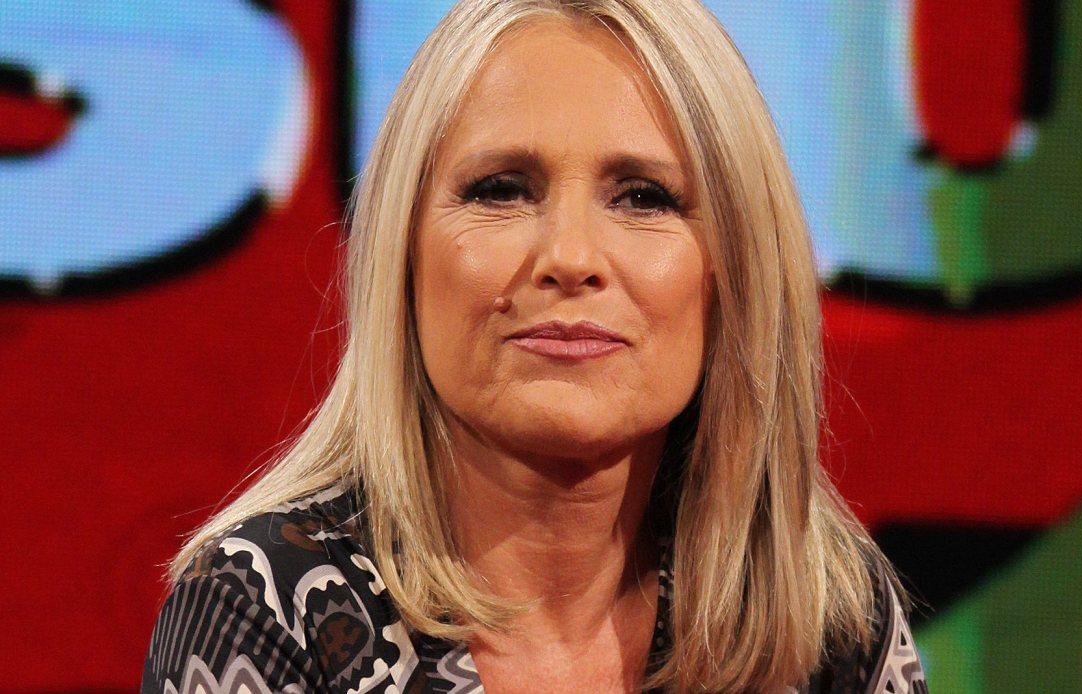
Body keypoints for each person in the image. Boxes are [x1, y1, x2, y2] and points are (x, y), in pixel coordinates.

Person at [141, 1, 928, 692]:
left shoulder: (829, 618)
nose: (570, 257)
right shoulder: (264, 604)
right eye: (501, 190)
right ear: (402, 253)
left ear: (733, 271)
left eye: (643, 197)